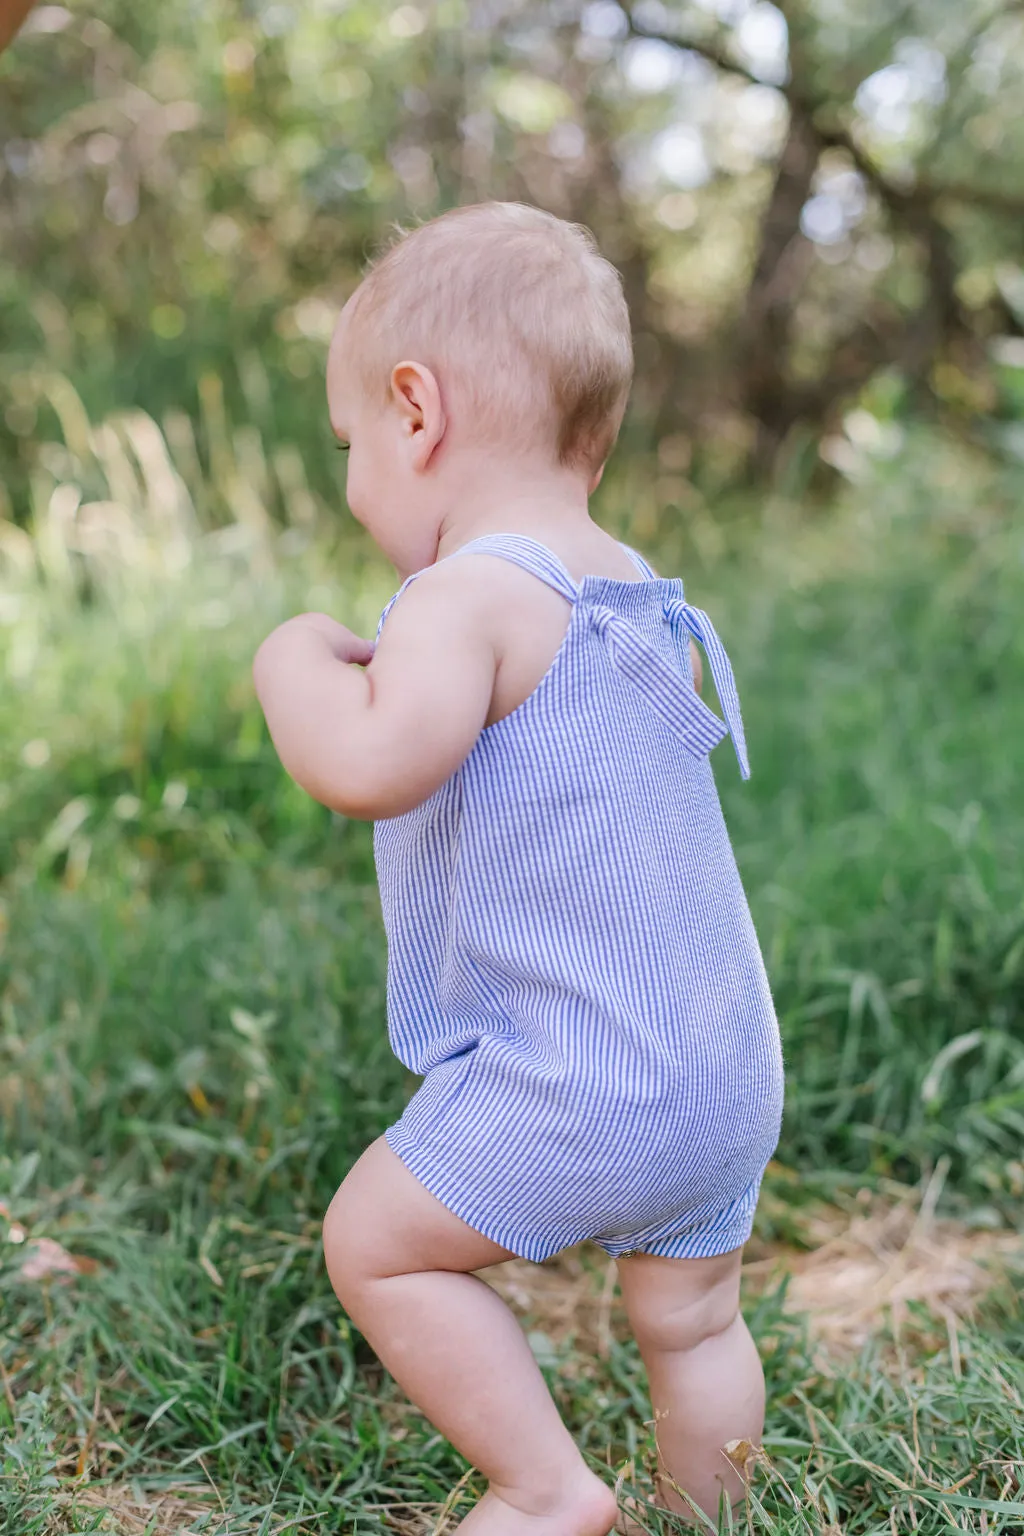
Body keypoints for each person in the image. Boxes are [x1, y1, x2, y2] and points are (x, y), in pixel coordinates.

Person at [253, 201, 784, 1536]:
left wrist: (288, 662)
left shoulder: (469, 593)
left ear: (413, 412)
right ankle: (712, 1516)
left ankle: (545, 1490)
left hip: (588, 1077)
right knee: (695, 1319)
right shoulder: (626, 583)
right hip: (720, 1067)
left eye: (348, 446)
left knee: (375, 1245)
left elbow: (372, 764)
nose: (354, 478)